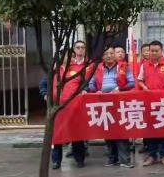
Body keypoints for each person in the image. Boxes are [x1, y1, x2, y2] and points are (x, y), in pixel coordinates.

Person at [88, 45, 136, 168]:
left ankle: (125, 160)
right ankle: (112, 158)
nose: (109, 56)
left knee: (121, 131)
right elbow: (91, 84)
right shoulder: (97, 68)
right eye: (106, 54)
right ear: (102, 56)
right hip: (103, 103)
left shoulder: (123, 67)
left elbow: (132, 83)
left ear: (114, 54)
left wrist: (119, 88)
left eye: (111, 53)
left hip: (119, 103)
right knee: (108, 131)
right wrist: (96, 90)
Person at [47, 41, 91, 169]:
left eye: (69, 56)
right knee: (57, 135)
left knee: (76, 134)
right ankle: (56, 161)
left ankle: (79, 159)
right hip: (57, 108)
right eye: (65, 56)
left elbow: (84, 84)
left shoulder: (78, 69)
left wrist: (85, 90)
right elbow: (44, 84)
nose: (67, 58)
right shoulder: (54, 71)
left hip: (74, 107)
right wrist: (45, 94)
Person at [138, 39, 164, 166]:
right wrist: (145, 88)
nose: (154, 53)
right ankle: (152, 155)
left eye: (156, 51)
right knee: (150, 130)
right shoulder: (144, 65)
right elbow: (140, 80)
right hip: (149, 102)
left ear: (161, 51)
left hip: (163, 103)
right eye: (152, 51)